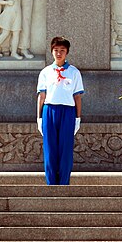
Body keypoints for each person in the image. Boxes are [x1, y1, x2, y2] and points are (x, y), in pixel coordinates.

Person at [36, 36, 83, 185]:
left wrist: (77, 118)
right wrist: (39, 118)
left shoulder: (74, 72)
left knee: (65, 149)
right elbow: (41, 96)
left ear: (67, 52)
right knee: (50, 149)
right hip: (49, 110)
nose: (59, 53)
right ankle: (51, 183)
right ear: (51, 51)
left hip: (68, 111)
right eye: (56, 50)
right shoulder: (46, 72)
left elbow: (77, 97)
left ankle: (64, 182)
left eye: (62, 50)